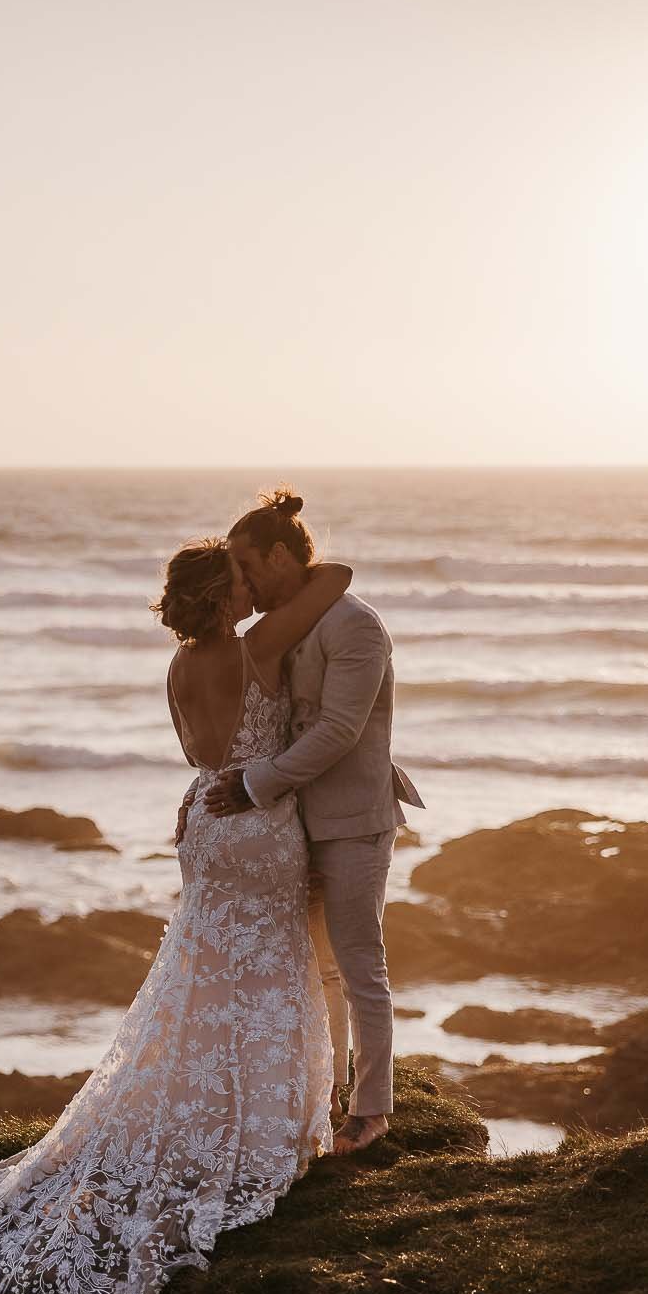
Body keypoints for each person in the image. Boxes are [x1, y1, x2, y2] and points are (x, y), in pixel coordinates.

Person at [0, 541, 353, 1294]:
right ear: (222, 593)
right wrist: (275, 548)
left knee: (202, 977)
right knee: (272, 970)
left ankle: (220, 1106)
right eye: (239, 578)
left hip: (204, 817)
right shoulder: (258, 648)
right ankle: (271, 1117)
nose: (250, 585)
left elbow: (203, 759)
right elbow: (337, 579)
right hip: (260, 824)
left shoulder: (177, 667)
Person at [207, 489, 423, 1155]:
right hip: (295, 824)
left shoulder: (355, 626)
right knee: (316, 971)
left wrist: (252, 786)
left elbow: (337, 730)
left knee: (362, 968)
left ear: (279, 556)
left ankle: (373, 1111)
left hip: (355, 821)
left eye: (247, 567)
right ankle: (322, 1098)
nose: (242, 582)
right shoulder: (295, 622)